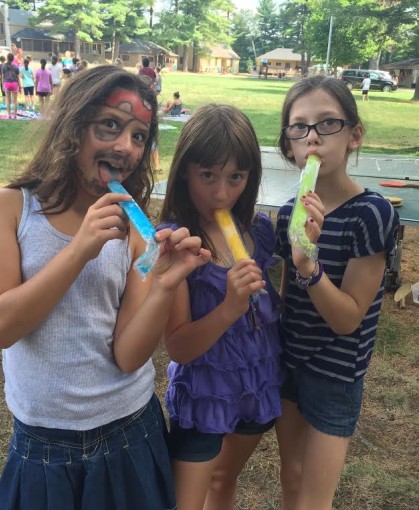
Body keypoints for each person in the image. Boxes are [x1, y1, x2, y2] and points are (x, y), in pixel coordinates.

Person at [0, 65, 211, 510]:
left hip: (128, 432)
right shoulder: (7, 210)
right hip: (44, 445)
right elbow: (1, 326)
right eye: (110, 126)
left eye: (139, 135)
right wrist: (79, 248)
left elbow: (128, 355)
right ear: (73, 126)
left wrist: (161, 285)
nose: (126, 146)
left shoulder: (136, 231)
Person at [274, 76, 399, 510]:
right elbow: (285, 299)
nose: (312, 137)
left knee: (314, 497)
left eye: (327, 124)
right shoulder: (289, 213)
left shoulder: (372, 214)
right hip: (289, 362)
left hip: (336, 373)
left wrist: (309, 266)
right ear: (288, 144)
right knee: (290, 477)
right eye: (299, 127)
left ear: (353, 136)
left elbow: (347, 319)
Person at [159, 104, 283, 510]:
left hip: (255, 381)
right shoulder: (175, 242)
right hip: (204, 392)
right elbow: (178, 348)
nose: (221, 193)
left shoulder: (260, 232)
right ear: (184, 172)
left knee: (225, 479)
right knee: (189, 498)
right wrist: (229, 307)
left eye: (236, 177)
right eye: (207, 175)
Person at [1, 53, 21, 119]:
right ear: (13, 59)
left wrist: (2, 85)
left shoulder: (3, 66)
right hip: (14, 84)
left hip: (7, 83)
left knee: (8, 100)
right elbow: (18, 78)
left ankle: (9, 115)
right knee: (15, 101)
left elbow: (3, 77)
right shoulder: (16, 67)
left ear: (7, 58)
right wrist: (20, 86)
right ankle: (15, 115)